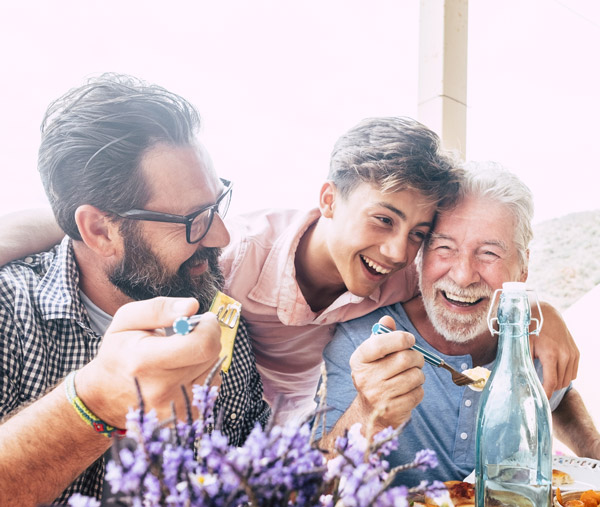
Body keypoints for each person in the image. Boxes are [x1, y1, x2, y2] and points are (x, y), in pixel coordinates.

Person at [0, 121, 580, 425]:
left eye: (420, 234)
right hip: (235, 425)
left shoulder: (406, 269)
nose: (400, 250)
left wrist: (537, 310)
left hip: (296, 436)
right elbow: (139, 239)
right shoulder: (226, 259)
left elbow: (472, 282)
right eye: (382, 219)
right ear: (329, 200)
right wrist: (66, 223)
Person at [0, 74, 269, 507]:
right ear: (99, 230)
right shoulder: (11, 311)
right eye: (194, 219)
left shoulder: (212, 307)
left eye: (218, 204)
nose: (223, 236)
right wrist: (90, 402)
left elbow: (250, 485)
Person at [317, 161, 599, 485]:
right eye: (444, 247)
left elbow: (559, 399)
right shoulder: (362, 342)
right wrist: (368, 415)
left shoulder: (528, 338)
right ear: (420, 256)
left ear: (522, 268)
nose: (463, 276)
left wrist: (593, 448)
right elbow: (313, 489)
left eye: (489, 253)